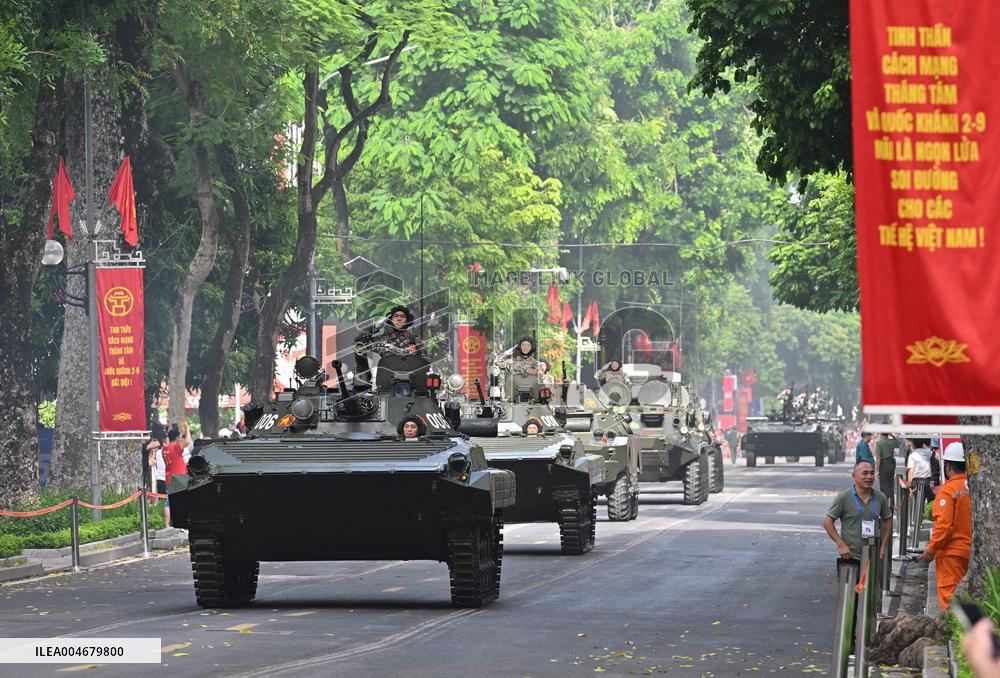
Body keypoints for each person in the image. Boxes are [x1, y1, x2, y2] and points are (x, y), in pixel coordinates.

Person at [918, 442, 972, 611]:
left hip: (951, 555)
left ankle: (955, 637)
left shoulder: (948, 491)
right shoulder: (974, 487)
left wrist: (930, 551)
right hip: (970, 552)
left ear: (947, 465)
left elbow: (943, 526)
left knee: (951, 601)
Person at [823, 460, 893, 563]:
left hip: (874, 556)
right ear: (854, 476)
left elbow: (888, 520)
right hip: (850, 556)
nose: (869, 477)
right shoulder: (844, 497)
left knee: (874, 579)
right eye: (865, 473)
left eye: (872, 473)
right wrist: (841, 544)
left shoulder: (880, 497)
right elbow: (827, 522)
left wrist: (884, 546)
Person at [161, 427, 188, 526]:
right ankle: (181, 524)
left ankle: (167, 525)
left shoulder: (165, 449)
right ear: (177, 438)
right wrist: (187, 430)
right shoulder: (176, 447)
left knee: (168, 502)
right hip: (179, 478)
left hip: (169, 478)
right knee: (182, 501)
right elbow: (188, 441)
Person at [906, 437, 934, 510]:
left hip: (917, 481)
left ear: (913, 444)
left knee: (918, 502)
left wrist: (909, 483)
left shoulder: (912, 456)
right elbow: (930, 449)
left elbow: (911, 471)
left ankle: (919, 518)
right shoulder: (928, 452)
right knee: (930, 500)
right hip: (928, 480)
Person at [874, 432, 897, 504]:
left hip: (883, 465)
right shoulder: (892, 442)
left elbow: (878, 458)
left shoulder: (880, 443)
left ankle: (885, 506)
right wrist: (892, 435)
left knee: (884, 487)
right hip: (891, 465)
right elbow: (898, 442)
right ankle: (891, 505)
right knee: (891, 486)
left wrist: (877, 470)